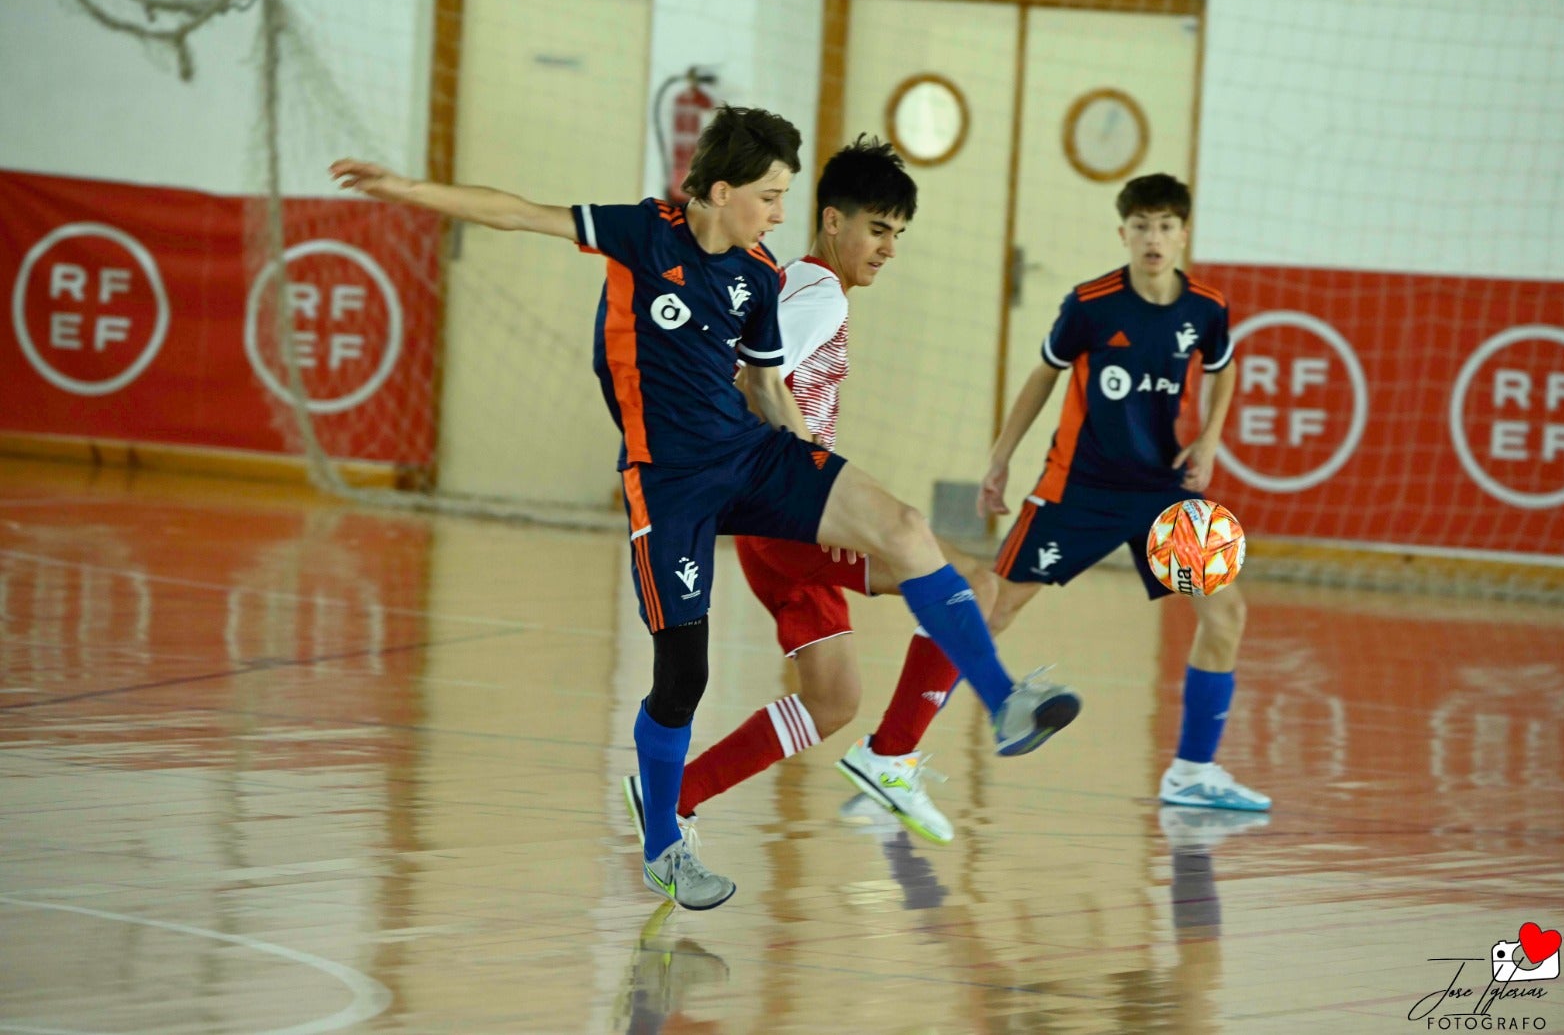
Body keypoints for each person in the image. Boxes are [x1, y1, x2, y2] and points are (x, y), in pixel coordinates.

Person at [331, 106, 1079, 912]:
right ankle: (666, 842)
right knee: (683, 676)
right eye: (769, 195)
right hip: (671, 482)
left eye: (787, 196)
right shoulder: (642, 234)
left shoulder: (761, 274)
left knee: (901, 531)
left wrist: (817, 471)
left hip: (754, 462)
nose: (778, 214)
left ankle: (1003, 700)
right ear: (720, 191)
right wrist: (406, 188)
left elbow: (764, 386)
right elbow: (518, 213)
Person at [619, 136, 1048, 848]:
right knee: (968, 581)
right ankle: (906, 752)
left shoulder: (794, 284)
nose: (887, 249)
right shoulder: (817, 293)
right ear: (831, 221)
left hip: (768, 525)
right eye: (877, 230)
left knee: (830, 700)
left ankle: (673, 797)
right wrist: (799, 461)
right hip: (787, 518)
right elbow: (751, 378)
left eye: (898, 235)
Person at [978, 172, 1269, 813]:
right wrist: (999, 460)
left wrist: (1211, 440)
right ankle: (896, 757)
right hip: (1077, 490)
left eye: (1166, 226)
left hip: (1162, 491)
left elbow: (1224, 369)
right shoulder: (1091, 303)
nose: (1153, 239)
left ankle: (1192, 772)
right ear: (1123, 233)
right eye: (1141, 226)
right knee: (992, 609)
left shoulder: (1207, 309)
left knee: (1226, 615)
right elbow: (1042, 376)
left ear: (1184, 233)